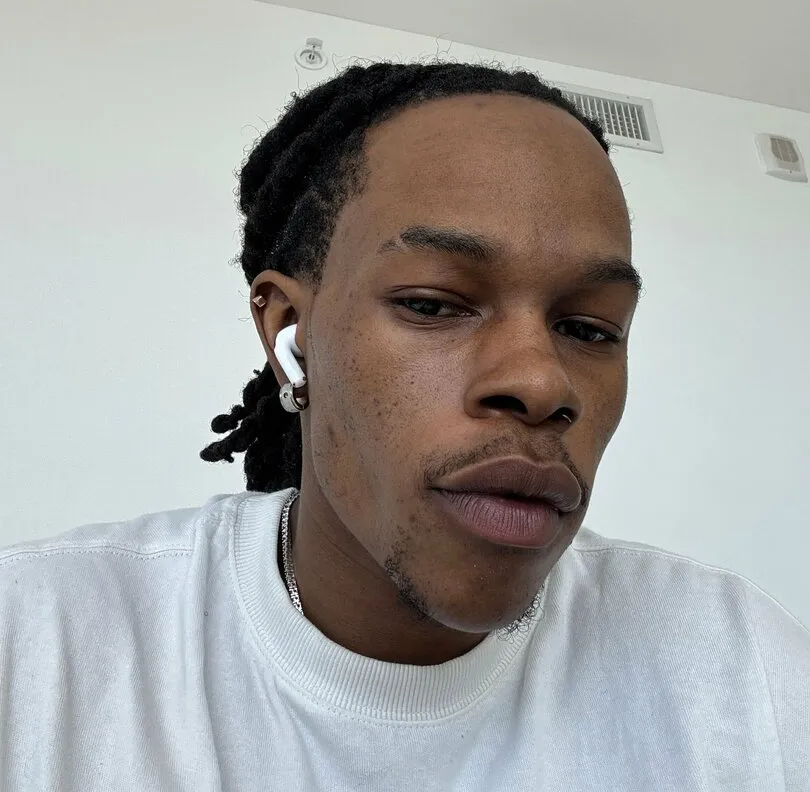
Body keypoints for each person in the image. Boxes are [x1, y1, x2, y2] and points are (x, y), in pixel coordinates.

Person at [0, 61, 807, 791]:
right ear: (289, 335)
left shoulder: (736, 664)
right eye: (433, 305)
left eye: (589, 328)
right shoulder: (41, 644)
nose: (542, 384)